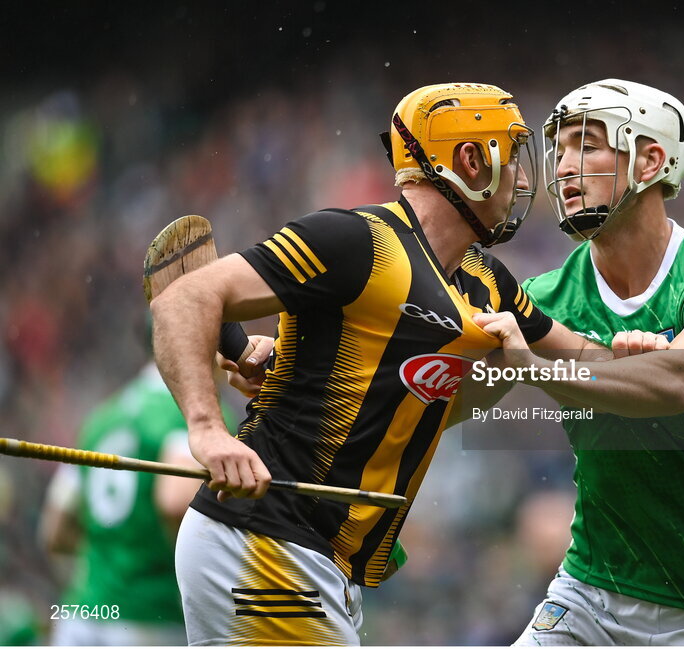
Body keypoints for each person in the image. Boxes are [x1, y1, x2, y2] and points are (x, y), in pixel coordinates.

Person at [150, 82, 623, 646]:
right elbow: (182, 297)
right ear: (470, 161)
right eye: (511, 156)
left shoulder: (489, 283)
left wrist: (642, 350)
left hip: (327, 562)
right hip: (264, 542)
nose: (524, 181)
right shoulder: (354, 241)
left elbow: (587, 362)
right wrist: (207, 431)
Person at [471, 79, 684, 645]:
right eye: (562, 148)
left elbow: (681, 381)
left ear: (650, 160)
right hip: (595, 593)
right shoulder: (543, 296)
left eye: (588, 145)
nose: (566, 167)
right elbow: (446, 399)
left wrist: (544, 370)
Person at [38, 322, 224, 646]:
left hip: (83, 614)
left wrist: (117, 557)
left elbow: (54, 530)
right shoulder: (194, 415)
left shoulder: (103, 417)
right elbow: (174, 502)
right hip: (153, 619)